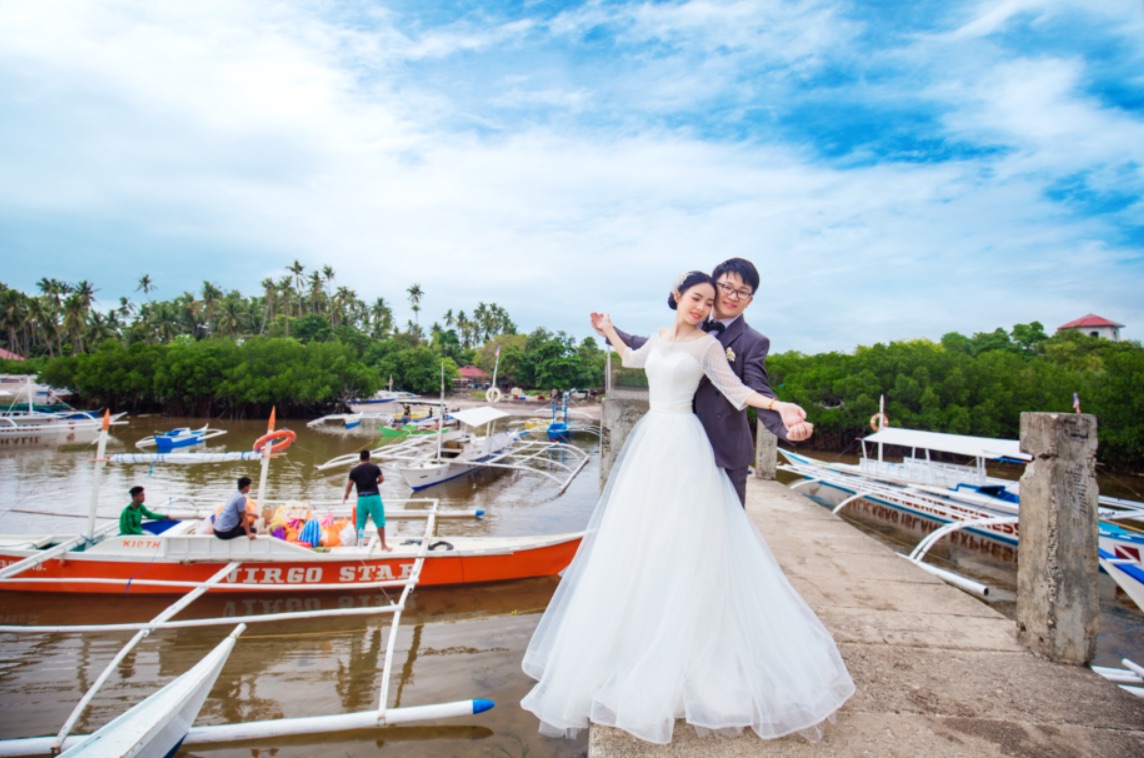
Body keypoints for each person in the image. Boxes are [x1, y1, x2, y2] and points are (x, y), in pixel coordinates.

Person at [522, 271, 854, 745]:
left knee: (686, 542)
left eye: (708, 302)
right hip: (650, 443)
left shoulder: (708, 347)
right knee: (641, 539)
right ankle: (637, 637)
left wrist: (780, 408)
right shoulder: (658, 337)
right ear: (677, 295)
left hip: (685, 444)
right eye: (696, 298)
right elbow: (633, 358)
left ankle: (687, 647)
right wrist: (609, 330)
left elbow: (738, 391)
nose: (702, 307)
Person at [596, 257, 809, 506]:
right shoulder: (689, 322)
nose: (733, 295)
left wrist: (784, 421)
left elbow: (749, 389)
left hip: (723, 446)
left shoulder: (752, 341)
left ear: (749, 300)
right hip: (672, 441)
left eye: (743, 292)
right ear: (714, 286)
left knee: (722, 527)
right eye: (727, 287)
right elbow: (650, 348)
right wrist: (610, 330)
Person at [344, 450, 390, 551]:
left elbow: (349, 485)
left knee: (360, 523)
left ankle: (359, 545)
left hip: (361, 499)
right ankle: (383, 545)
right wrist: (375, 483)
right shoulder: (375, 468)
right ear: (369, 458)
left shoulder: (354, 471)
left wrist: (346, 495)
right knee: (379, 521)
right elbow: (381, 479)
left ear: (360, 458)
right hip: (374, 497)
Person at [214, 476, 256, 540]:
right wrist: (249, 533)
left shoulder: (234, 494)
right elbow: (244, 516)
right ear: (245, 487)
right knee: (253, 530)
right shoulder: (241, 498)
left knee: (244, 523)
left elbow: (239, 512)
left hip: (216, 530)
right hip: (224, 533)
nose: (250, 488)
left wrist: (252, 514)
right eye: (249, 486)